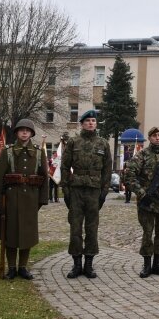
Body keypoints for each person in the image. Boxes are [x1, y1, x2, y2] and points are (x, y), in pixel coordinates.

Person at [0, 119, 49, 280]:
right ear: (16, 133)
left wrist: (42, 200)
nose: (24, 133)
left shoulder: (38, 152)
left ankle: (23, 267)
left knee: (27, 235)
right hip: (11, 198)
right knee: (10, 234)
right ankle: (12, 268)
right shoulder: (7, 152)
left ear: (31, 134)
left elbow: (44, 177)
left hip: (31, 199)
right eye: (21, 130)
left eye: (27, 131)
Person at [60, 109, 112, 279]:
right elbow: (65, 167)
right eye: (88, 120)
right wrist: (66, 190)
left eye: (93, 121)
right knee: (75, 228)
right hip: (76, 190)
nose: (91, 123)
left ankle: (89, 264)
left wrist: (104, 192)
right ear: (82, 123)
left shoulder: (103, 143)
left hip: (94, 191)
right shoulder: (73, 142)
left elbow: (107, 170)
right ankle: (76, 264)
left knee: (91, 228)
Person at [124, 127, 159, 278]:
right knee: (147, 233)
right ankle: (147, 264)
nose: (157, 138)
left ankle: (158, 264)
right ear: (149, 138)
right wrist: (141, 193)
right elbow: (129, 177)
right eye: (154, 136)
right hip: (146, 204)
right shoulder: (142, 156)